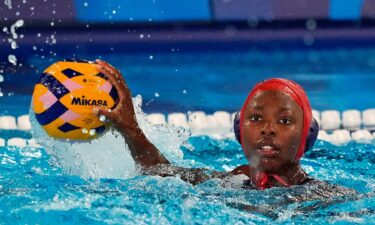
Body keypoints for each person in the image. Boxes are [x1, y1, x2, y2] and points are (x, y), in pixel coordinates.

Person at [91, 59, 341, 191]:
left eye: (284, 121)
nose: (268, 129)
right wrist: (130, 127)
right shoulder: (234, 181)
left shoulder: (322, 197)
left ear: (307, 137)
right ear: (239, 131)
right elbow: (159, 172)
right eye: (255, 118)